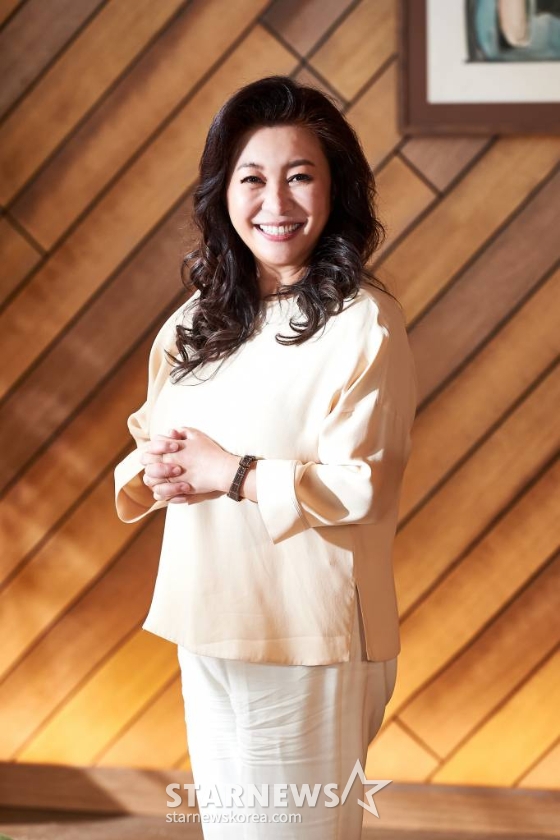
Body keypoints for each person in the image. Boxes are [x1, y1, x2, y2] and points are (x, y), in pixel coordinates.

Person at [114, 75, 418, 839]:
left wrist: (234, 473)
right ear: (223, 194)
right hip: (204, 620)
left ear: (336, 191)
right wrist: (155, 471)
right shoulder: (195, 321)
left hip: (306, 637)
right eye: (252, 178)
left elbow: (363, 488)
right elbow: (153, 438)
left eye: (300, 176)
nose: (275, 202)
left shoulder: (364, 324)